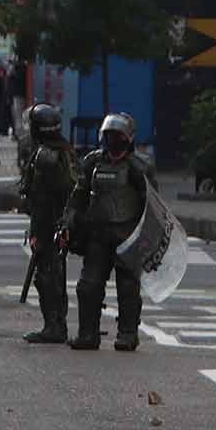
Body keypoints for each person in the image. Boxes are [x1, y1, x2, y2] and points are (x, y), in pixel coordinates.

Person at [57, 113, 152, 352]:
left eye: (117, 136)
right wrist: (68, 222)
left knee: (128, 288)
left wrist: (147, 239)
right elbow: (77, 197)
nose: (112, 140)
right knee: (88, 286)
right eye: (109, 135)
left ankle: (128, 334)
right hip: (97, 236)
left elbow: (152, 206)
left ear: (128, 139)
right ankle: (87, 334)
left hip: (127, 237)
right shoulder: (92, 163)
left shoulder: (138, 167)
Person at [19, 103, 75, 344]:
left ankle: (53, 326)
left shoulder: (46, 156)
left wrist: (37, 234)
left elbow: (41, 200)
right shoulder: (63, 150)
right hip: (59, 222)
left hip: (49, 223)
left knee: (47, 277)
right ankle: (57, 324)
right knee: (55, 275)